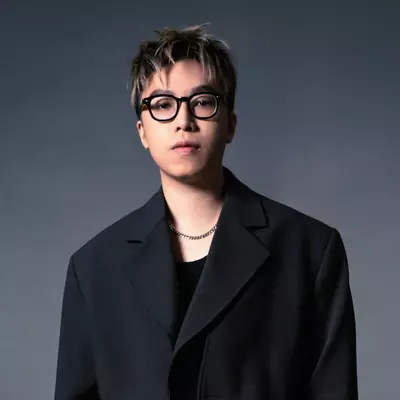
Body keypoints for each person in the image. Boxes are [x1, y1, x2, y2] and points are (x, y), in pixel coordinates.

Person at [54, 24, 358, 400]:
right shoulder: (94, 267)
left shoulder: (309, 249)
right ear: (142, 131)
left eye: (202, 102)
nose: (183, 120)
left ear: (230, 124)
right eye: (163, 104)